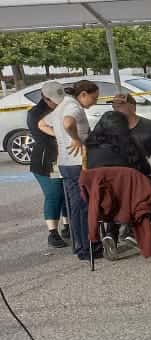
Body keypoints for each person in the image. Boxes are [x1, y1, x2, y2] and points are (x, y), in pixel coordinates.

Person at [84, 110, 151, 260]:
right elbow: (145, 170)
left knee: (113, 196)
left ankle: (111, 234)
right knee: (142, 192)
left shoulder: (90, 148)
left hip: (102, 201)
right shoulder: (130, 145)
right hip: (131, 201)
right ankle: (129, 230)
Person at [50, 79, 101, 260]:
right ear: (83, 95)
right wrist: (75, 138)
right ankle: (87, 248)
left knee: (75, 208)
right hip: (77, 163)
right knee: (83, 206)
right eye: (93, 98)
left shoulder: (62, 104)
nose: (94, 102)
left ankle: (80, 247)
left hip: (65, 162)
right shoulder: (74, 107)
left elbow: (47, 124)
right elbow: (68, 123)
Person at [27, 81, 68, 248]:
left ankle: (67, 226)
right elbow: (46, 137)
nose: (56, 102)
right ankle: (52, 232)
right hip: (46, 160)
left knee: (66, 193)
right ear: (44, 98)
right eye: (53, 100)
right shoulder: (36, 114)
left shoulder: (63, 106)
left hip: (64, 158)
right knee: (54, 194)